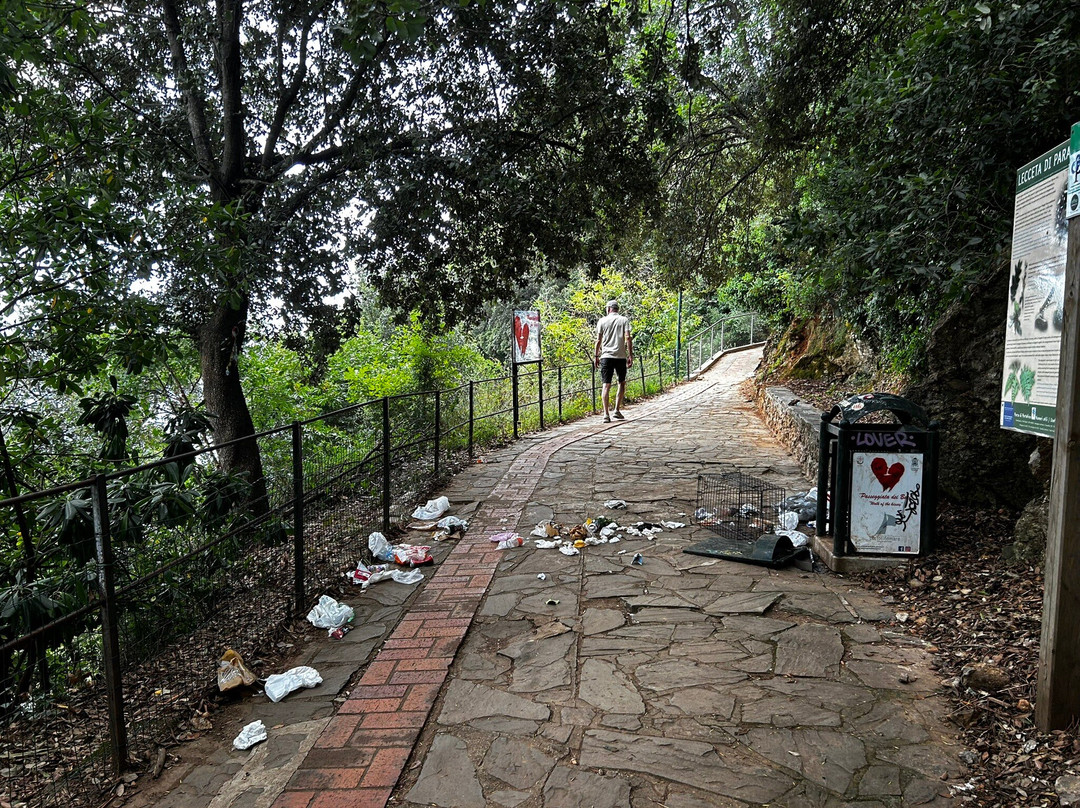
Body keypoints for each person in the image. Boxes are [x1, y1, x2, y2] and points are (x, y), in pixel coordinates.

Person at [594, 299, 633, 422]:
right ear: (617, 309)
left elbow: (598, 340)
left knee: (606, 385)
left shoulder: (602, 321)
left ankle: (606, 414)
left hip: (606, 356)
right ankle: (616, 410)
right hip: (620, 356)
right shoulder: (624, 320)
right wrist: (630, 354)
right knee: (621, 382)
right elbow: (628, 337)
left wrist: (596, 356)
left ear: (608, 308)